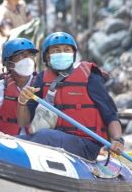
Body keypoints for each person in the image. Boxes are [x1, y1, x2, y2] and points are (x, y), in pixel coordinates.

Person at [16, 32, 124, 161]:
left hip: (86, 144)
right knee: (17, 139)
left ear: (73, 54)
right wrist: (22, 102)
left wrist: (118, 139)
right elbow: (23, 122)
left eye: (66, 50)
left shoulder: (89, 76)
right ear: (47, 56)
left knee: (45, 136)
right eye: (56, 50)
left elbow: (110, 114)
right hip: (55, 139)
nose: (62, 53)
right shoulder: (41, 79)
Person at [0, 0, 33, 84]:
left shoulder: (22, 6)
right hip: (6, 51)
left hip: (21, 49)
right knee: (6, 79)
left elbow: (31, 21)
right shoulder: (2, 12)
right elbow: (7, 32)